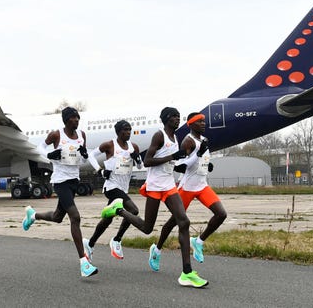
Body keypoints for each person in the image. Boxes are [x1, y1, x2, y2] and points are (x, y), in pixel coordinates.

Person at [101, 107, 208, 288]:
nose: (177, 119)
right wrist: (172, 156)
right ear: (166, 119)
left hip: (169, 185)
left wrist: (183, 159)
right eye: (174, 117)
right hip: (154, 187)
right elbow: (148, 161)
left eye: (178, 117)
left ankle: (187, 273)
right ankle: (118, 210)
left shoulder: (176, 139)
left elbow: (175, 163)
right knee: (147, 228)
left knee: (184, 222)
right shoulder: (160, 136)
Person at [21, 106, 97, 277]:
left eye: (78, 118)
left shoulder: (81, 135)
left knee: (57, 217)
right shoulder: (56, 135)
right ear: (66, 120)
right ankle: (83, 263)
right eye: (73, 118)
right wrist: (50, 155)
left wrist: (84, 154)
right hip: (60, 181)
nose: (77, 120)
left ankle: (32, 216)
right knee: (75, 217)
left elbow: (83, 158)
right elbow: (39, 148)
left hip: (73, 181)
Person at [153, 112, 227, 265]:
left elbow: (201, 160)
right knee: (174, 222)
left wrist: (207, 165)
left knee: (221, 214)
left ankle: (198, 242)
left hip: (202, 186)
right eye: (199, 121)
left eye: (204, 121)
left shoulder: (204, 140)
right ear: (191, 124)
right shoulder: (188, 141)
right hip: (187, 187)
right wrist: (198, 154)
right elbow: (179, 166)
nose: (203, 124)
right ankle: (157, 249)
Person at [84, 120, 143, 261]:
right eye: (125, 130)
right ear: (118, 132)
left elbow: (140, 166)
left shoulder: (133, 147)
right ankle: (117, 240)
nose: (128, 132)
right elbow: (91, 155)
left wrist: (137, 158)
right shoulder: (110, 145)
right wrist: (100, 171)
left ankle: (90, 244)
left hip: (123, 188)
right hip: (111, 187)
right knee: (133, 211)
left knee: (107, 219)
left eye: (129, 130)